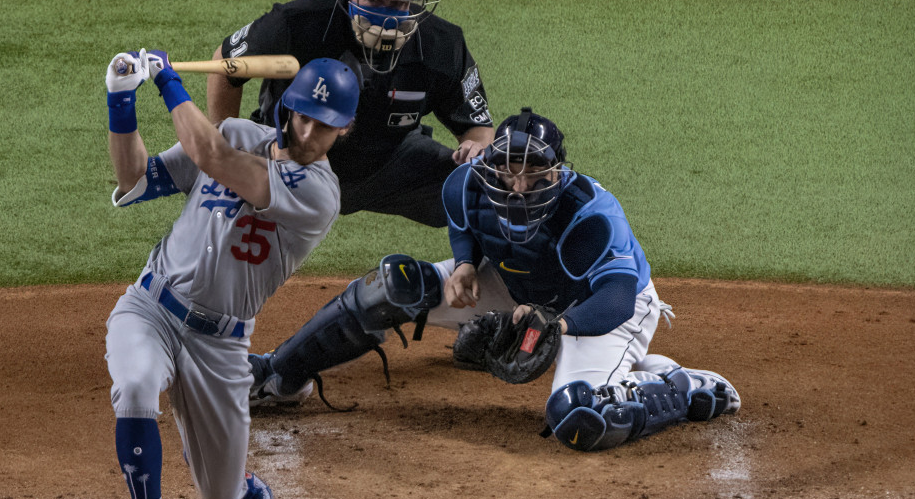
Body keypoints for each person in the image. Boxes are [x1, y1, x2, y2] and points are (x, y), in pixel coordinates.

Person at [248, 108, 741, 452]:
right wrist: (463, 265)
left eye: (535, 176)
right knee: (394, 286)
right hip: (514, 290)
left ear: (558, 172)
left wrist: (557, 325)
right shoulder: (468, 181)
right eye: (509, 174)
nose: (519, 187)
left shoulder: (590, 214)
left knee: (577, 416)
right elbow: (464, 223)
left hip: (599, 310)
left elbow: (616, 295)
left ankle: (682, 388)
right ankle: (278, 375)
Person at [103, 48, 359, 499]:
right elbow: (137, 178)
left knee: (219, 497)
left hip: (220, 346)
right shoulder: (241, 131)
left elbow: (213, 156)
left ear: (345, 129)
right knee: (138, 386)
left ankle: (234, 479)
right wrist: (121, 100)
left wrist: (168, 81)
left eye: (327, 124)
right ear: (288, 110)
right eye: (304, 116)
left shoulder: (319, 194)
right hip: (151, 307)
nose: (311, 130)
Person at [206, 0, 495, 228]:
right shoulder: (300, 22)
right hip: (289, 157)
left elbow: (477, 126)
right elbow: (225, 64)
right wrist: (225, 147)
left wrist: (476, 146)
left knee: (487, 188)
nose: (388, 15)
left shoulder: (441, 43)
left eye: (399, 3)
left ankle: (475, 277)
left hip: (388, 165)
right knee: (221, 211)